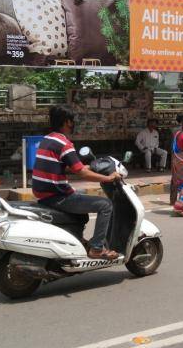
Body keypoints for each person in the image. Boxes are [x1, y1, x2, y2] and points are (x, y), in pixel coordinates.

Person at [33, 105, 122, 259]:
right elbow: (81, 173)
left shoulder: (47, 140)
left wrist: (82, 167)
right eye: (72, 121)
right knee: (105, 205)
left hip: (43, 193)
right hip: (57, 196)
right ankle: (97, 248)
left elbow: (62, 165)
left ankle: (76, 239)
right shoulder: (64, 143)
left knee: (80, 200)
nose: (73, 124)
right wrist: (108, 178)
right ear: (67, 122)